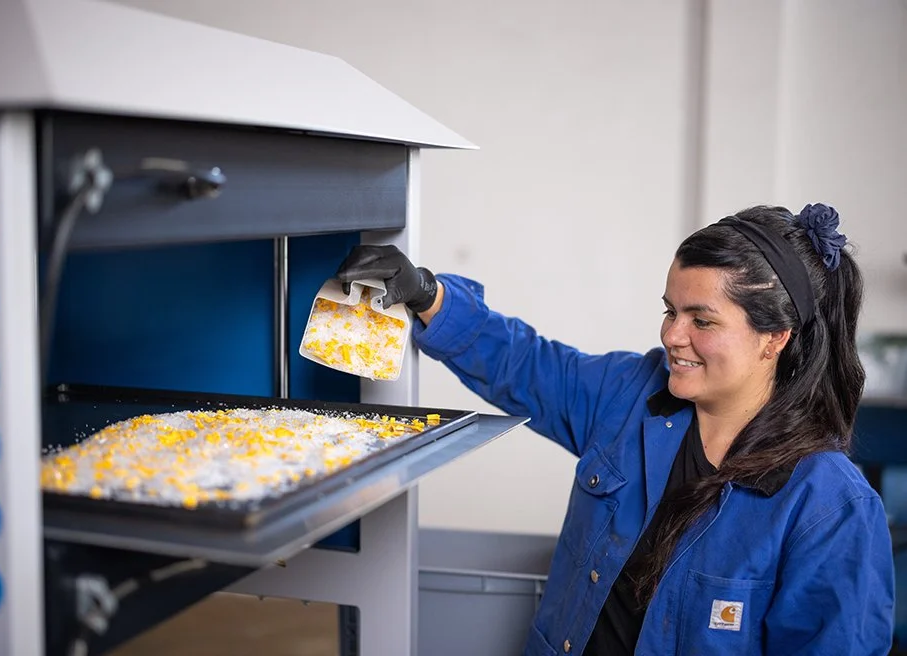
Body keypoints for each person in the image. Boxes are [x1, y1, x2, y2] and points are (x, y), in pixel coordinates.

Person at [335, 204, 895, 655]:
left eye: (702, 320)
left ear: (776, 338)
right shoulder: (631, 395)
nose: (673, 335)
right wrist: (427, 293)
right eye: (670, 310)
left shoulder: (829, 507)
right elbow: (527, 366)